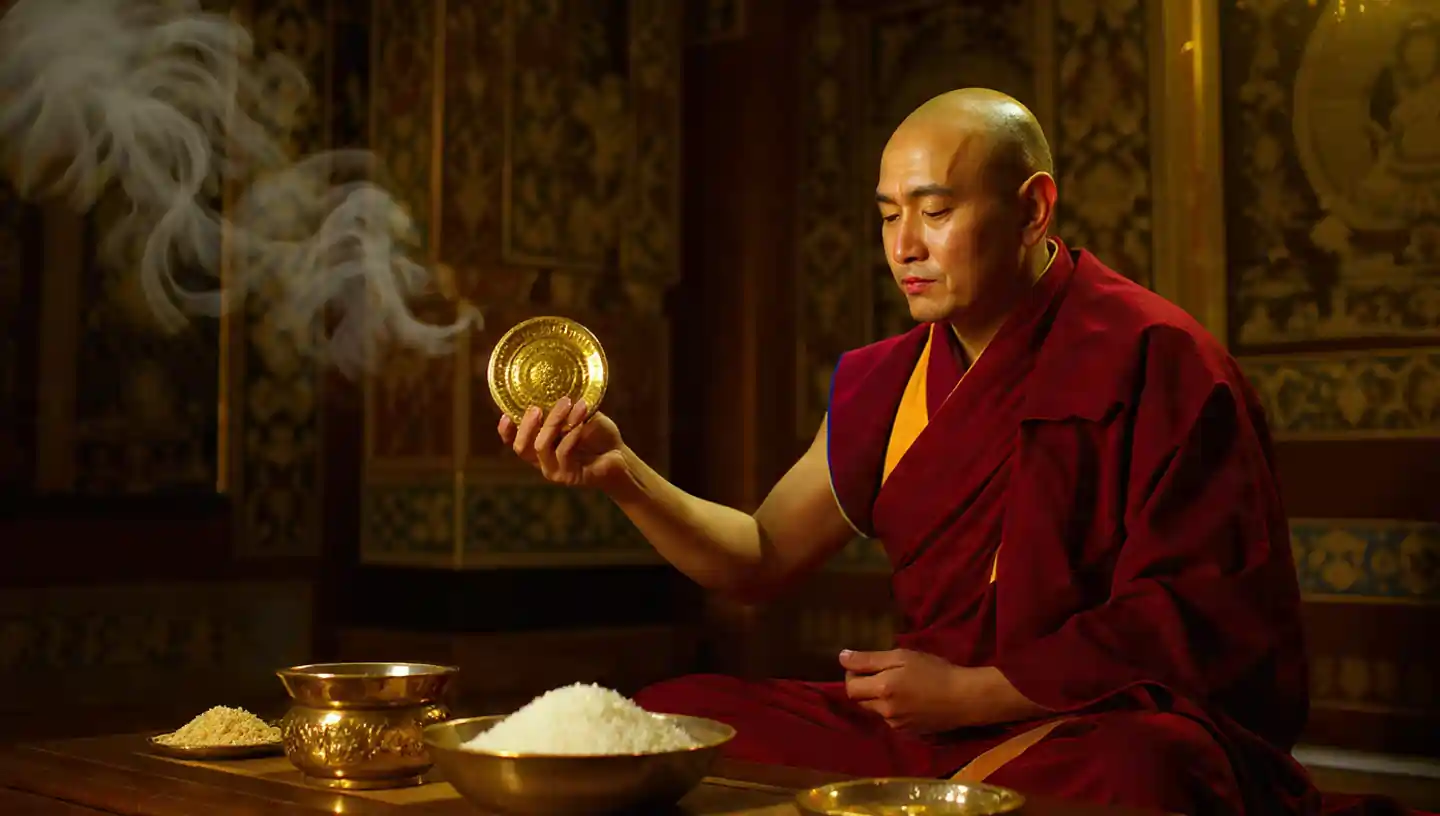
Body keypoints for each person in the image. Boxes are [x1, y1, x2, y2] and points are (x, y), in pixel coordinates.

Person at [498, 89, 1406, 815]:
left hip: (1082, 722)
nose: (905, 247)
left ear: (1033, 209)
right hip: (922, 720)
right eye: (888, 214)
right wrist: (623, 474)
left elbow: (1200, 616)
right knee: (671, 716)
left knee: (1146, 774)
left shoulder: (1157, 359)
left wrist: (981, 693)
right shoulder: (889, 380)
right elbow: (760, 555)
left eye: (935, 211)